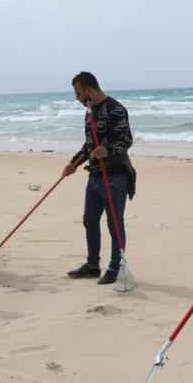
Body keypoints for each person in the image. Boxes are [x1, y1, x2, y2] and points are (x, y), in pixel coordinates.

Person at [63, 71, 136, 285]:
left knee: (114, 223)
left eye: (78, 93)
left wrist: (108, 150)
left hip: (115, 176)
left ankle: (115, 267)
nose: (77, 97)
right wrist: (73, 164)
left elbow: (127, 139)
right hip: (95, 176)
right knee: (89, 220)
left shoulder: (116, 109)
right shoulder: (89, 113)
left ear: (89, 89)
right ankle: (92, 265)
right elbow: (89, 146)